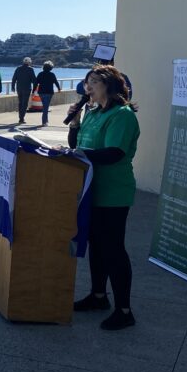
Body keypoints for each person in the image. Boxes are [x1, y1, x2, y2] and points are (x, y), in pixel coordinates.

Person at [67, 64, 140, 331]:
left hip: (113, 192)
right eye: (87, 83)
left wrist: (76, 155)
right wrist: (74, 124)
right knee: (97, 247)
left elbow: (113, 153)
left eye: (93, 83)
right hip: (91, 190)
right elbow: (78, 145)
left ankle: (124, 310)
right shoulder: (93, 113)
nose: (88, 88)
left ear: (108, 85)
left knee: (113, 250)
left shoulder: (123, 115)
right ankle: (98, 296)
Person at [33, 60, 62, 126]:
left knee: (45, 106)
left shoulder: (40, 74)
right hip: (49, 92)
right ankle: (44, 122)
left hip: (41, 92)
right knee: (46, 107)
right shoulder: (52, 74)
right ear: (51, 68)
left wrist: (33, 91)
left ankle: (46, 120)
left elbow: (36, 83)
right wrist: (59, 89)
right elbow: (56, 82)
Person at [12, 57, 36, 124]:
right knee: (24, 103)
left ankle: (20, 117)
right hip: (27, 88)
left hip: (19, 88)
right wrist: (34, 89)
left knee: (20, 102)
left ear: (23, 62)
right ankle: (21, 118)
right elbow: (34, 80)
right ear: (29, 62)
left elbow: (14, 78)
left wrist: (12, 87)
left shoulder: (18, 68)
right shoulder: (30, 69)